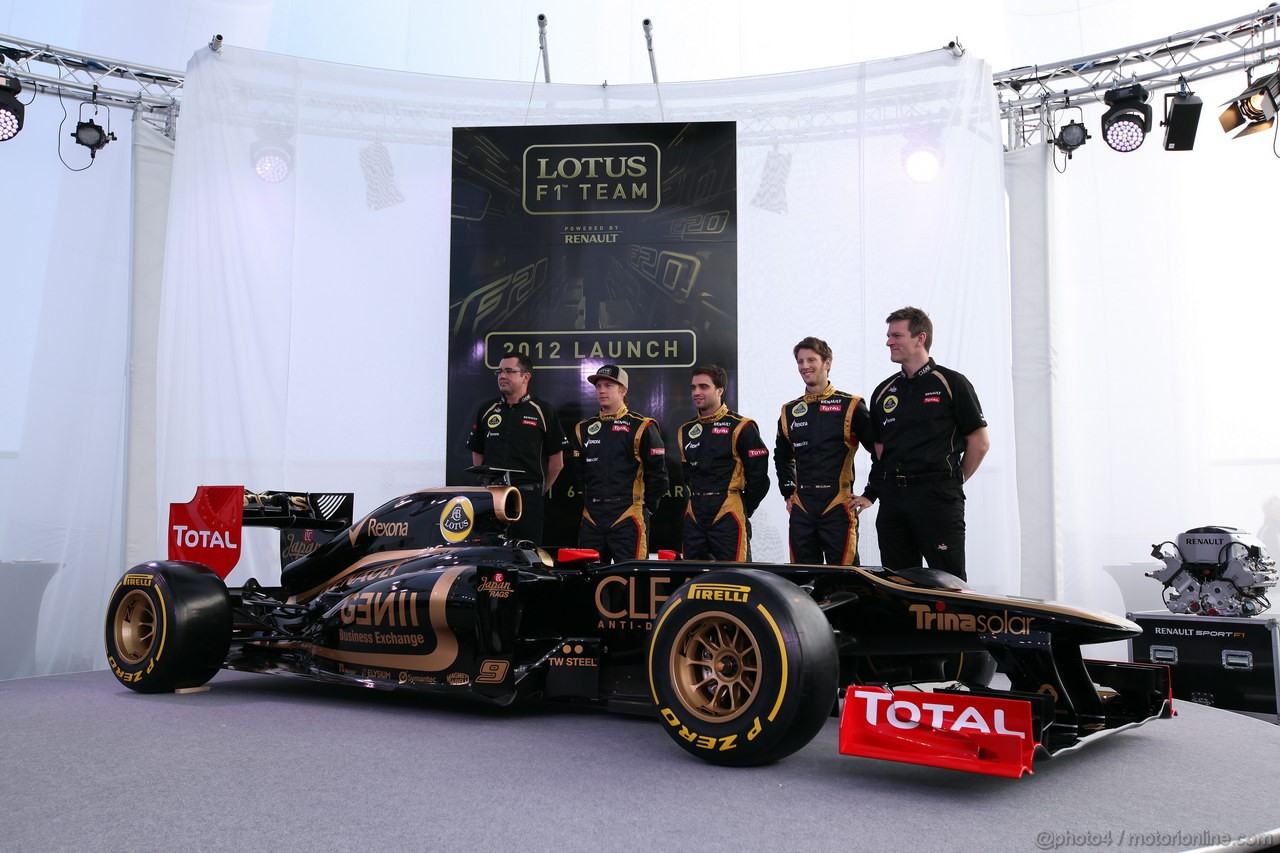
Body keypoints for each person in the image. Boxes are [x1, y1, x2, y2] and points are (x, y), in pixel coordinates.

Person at [854, 306, 989, 581]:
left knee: (948, 582)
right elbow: (880, 451)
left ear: (920, 338)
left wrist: (953, 480)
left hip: (937, 497)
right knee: (897, 582)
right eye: (888, 336)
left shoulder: (951, 383)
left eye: (896, 335)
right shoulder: (884, 390)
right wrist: (874, 492)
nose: (889, 342)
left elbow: (980, 442)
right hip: (894, 500)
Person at [775, 336, 875, 565]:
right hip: (802, 507)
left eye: (811, 359)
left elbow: (880, 451)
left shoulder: (851, 405)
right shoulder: (789, 410)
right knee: (802, 581)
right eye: (800, 361)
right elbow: (782, 455)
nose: (804, 366)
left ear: (827, 363)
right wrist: (787, 491)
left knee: (845, 580)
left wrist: (871, 494)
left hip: (837, 504)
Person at [571, 364, 668, 563]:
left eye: (608, 385)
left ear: (623, 390)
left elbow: (658, 476)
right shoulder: (584, 428)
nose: (602, 390)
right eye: (598, 386)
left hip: (627, 515)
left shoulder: (642, 426)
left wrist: (645, 508)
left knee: (632, 582)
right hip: (593, 516)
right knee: (589, 580)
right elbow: (579, 474)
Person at [467, 353, 568, 544]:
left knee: (526, 555)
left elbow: (557, 463)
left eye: (509, 371)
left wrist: (537, 491)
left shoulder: (542, 410)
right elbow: (477, 454)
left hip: (527, 497)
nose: (502, 376)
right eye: (500, 371)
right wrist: (488, 485)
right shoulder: (486, 409)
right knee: (490, 555)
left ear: (526, 376)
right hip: (492, 497)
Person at [676, 365, 770, 561]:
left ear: (720, 390)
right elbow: (687, 476)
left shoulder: (742, 427)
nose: (697, 392)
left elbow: (759, 479)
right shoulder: (685, 430)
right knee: (692, 579)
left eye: (704, 386)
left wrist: (743, 507)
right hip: (695, 513)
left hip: (728, 512)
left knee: (736, 578)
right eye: (693, 387)